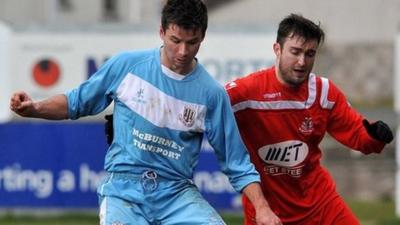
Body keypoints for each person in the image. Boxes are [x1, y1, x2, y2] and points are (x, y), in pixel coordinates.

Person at [9, 0, 281, 225]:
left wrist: (263, 209)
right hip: (124, 191)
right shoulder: (127, 66)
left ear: (203, 37)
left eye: (192, 42)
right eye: (175, 40)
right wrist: (35, 107)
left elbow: (237, 164)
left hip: (177, 193)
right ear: (161, 32)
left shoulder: (211, 94)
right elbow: (76, 102)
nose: (183, 51)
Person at [224, 14, 394, 225]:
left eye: (310, 54)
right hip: (268, 211)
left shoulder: (323, 93)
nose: (302, 62)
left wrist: (374, 135)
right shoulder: (246, 92)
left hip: (320, 204)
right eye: (295, 52)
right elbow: (207, 110)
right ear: (277, 49)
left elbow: (356, 133)